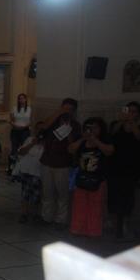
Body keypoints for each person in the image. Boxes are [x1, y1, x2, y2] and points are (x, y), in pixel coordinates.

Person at [39, 98, 81, 230]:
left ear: (73, 111)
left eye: (69, 109)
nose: (66, 111)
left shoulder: (75, 125)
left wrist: (67, 129)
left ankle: (60, 220)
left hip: (63, 163)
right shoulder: (54, 120)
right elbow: (43, 127)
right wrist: (58, 114)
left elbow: (73, 144)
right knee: (47, 192)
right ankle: (46, 217)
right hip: (47, 160)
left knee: (62, 194)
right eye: (64, 108)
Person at [68, 117, 113, 237]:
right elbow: (71, 149)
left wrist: (95, 140)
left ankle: (93, 231)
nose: (91, 130)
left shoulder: (105, 140)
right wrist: (84, 138)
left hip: (98, 179)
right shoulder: (81, 140)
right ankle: (77, 229)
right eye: (88, 127)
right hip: (82, 178)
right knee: (79, 205)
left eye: (95, 127)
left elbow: (109, 151)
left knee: (96, 206)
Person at [107, 102, 140, 239]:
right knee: (113, 196)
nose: (131, 114)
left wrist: (132, 122)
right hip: (115, 166)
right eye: (129, 111)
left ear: (139, 115)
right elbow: (112, 133)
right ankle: (114, 223)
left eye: (134, 112)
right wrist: (122, 120)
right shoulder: (116, 125)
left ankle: (125, 225)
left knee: (128, 197)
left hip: (132, 168)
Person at [16, 122, 45, 223]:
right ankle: (24, 213)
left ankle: (35, 214)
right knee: (25, 193)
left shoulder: (47, 143)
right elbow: (20, 152)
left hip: (38, 172)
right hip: (27, 171)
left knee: (36, 195)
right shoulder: (29, 139)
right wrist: (32, 143)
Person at [9, 93, 32, 175]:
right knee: (14, 148)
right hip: (15, 130)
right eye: (20, 98)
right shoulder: (14, 108)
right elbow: (11, 120)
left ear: (26, 100)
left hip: (25, 131)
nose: (21, 100)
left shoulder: (29, 109)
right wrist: (15, 125)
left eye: (23, 98)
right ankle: (12, 168)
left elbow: (31, 120)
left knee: (24, 148)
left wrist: (25, 126)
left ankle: (23, 168)